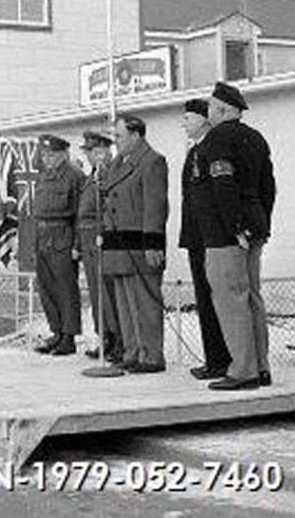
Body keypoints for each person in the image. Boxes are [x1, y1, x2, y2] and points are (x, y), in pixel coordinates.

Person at [198, 81, 276, 391]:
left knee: (231, 299)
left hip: (226, 232)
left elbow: (223, 184)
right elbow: (269, 187)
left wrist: (235, 226)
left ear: (220, 109)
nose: (207, 112)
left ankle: (243, 370)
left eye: (210, 106)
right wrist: (261, 223)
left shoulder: (216, 140)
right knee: (252, 297)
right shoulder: (256, 138)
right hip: (255, 226)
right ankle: (261, 366)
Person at [102, 115, 169, 373]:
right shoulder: (118, 164)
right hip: (119, 246)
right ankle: (132, 351)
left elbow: (155, 206)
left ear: (136, 135)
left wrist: (153, 243)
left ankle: (151, 355)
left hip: (140, 246)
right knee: (125, 304)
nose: (115, 142)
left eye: (119, 136)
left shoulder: (152, 162)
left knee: (144, 304)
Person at [179, 98, 232, 380]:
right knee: (204, 300)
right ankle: (214, 359)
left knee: (215, 300)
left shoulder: (211, 150)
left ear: (203, 119)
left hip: (210, 237)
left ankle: (222, 360)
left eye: (188, 118)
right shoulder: (196, 151)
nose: (183, 123)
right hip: (197, 237)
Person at [33, 135, 86, 356]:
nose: (47, 159)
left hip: (63, 236)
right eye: (44, 155)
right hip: (43, 236)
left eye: (51, 154)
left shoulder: (74, 176)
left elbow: (81, 214)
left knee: (65, 289)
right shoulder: (44, 177)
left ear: (64, 154)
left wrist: (77, 244)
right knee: (46, 288)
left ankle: (69, 336)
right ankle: (56, 331)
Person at [74, 131, 122, 362]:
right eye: (88, 152)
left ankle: (117, 339)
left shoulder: (108, 174)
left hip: (100, 238)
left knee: (108, 292)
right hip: (88, 239)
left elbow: (110, 208)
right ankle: (104, 335)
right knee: (96, 293)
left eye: (91, 152)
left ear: (101, 151)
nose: (89, 157)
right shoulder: (90, 176)